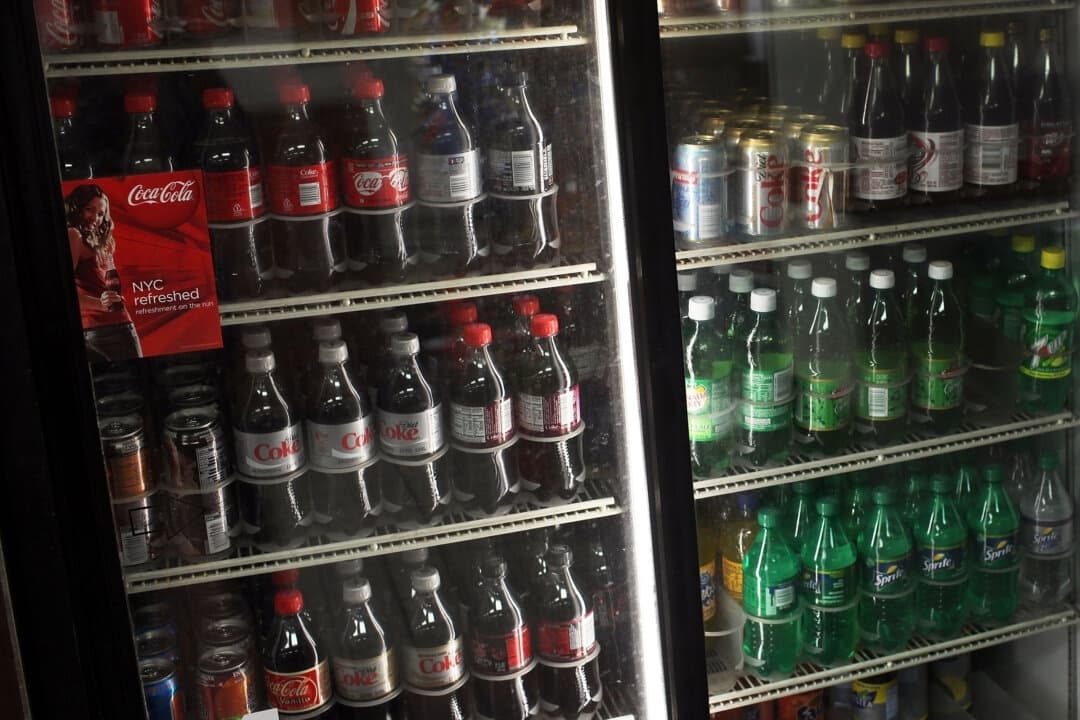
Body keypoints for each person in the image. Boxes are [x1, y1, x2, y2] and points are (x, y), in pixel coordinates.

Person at [66, 184, 142, 362]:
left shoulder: (89, 240)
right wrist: (102, 305)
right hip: (109, 329)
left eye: (100, 214)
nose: (95, 218)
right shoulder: (73, 234)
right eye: (89, 210)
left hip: (99, 329)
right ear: (76, 208)